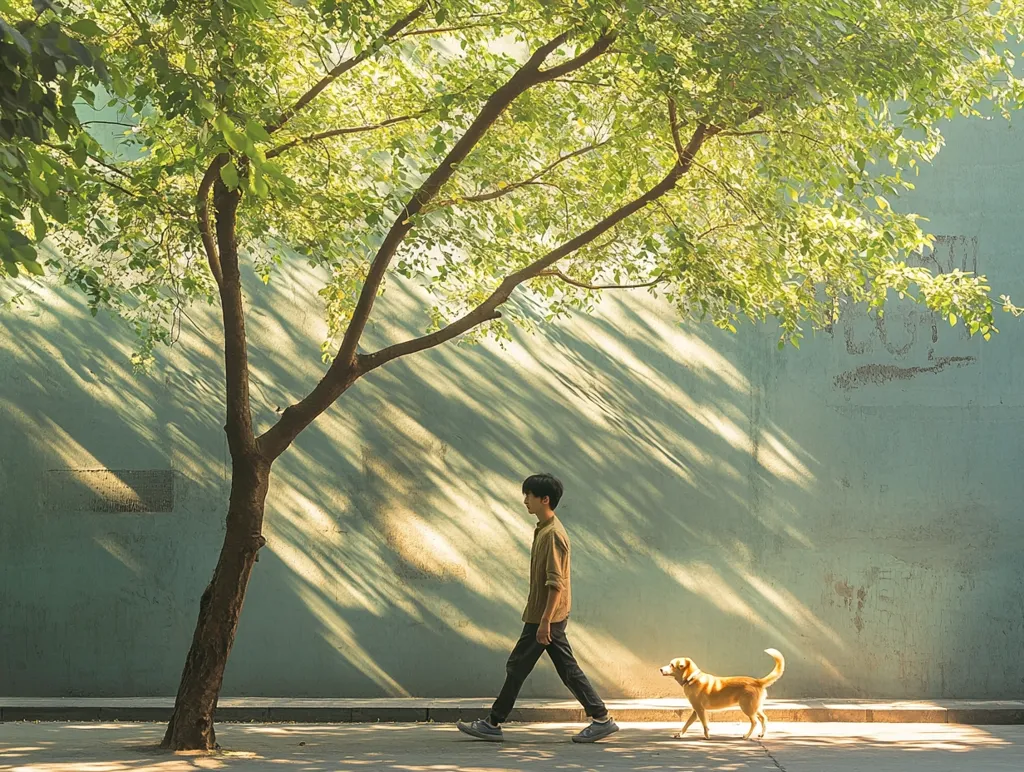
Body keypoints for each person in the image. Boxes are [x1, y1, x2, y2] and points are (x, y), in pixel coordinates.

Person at [457, 473, 619, 743]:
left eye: (529, 496)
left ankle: (493, 723)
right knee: (558, 669)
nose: (525, 501)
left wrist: (545, 622)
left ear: (545, 499)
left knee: (522, 667)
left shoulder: (553, 534)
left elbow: (555, 584)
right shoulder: (545, 529)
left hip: (546, 616)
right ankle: (600, 718)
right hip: (544, 615)